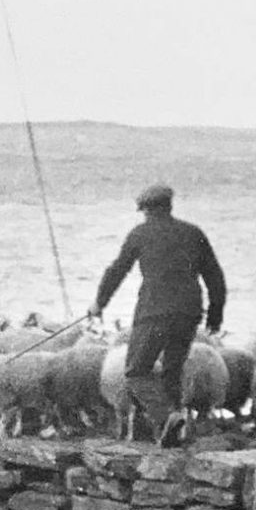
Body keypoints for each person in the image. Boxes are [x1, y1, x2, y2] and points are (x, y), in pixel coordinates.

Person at [87, 183, 227, 443]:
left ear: (145, 210)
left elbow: (117, 270)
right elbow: (215, 276)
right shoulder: (193, 232)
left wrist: (99, 304)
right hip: (188, 312)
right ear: (169, 206)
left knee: (136, 371)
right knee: (172, 371)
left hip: (154, 312)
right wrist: (215, 316)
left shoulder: (140, 234)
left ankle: (166, 417)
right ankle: (170, 437)